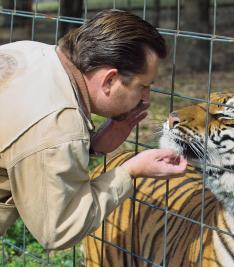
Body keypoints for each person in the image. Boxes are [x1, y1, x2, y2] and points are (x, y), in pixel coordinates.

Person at [0, 9, 187, 249]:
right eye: (143, 86)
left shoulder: (30, 52)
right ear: (109, 80)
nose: (146, 99)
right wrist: (129, 171)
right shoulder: (57, 126)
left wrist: (92, 145)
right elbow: (59, 230)